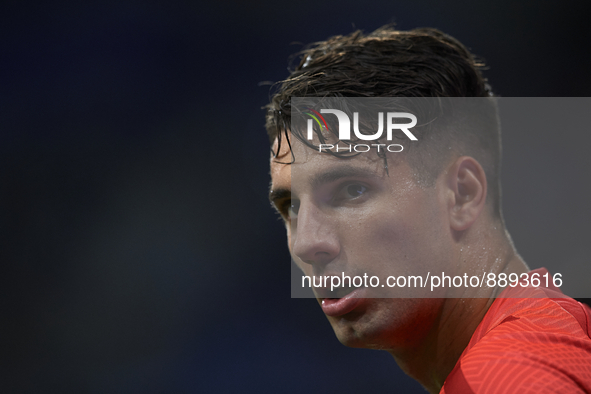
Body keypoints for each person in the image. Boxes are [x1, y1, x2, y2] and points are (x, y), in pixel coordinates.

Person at [264, 26, 591, 393]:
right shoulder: (529, 343)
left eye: (352, 190)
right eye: (290, 206)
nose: (308, 243)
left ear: (462, 194)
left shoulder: (509, 371)